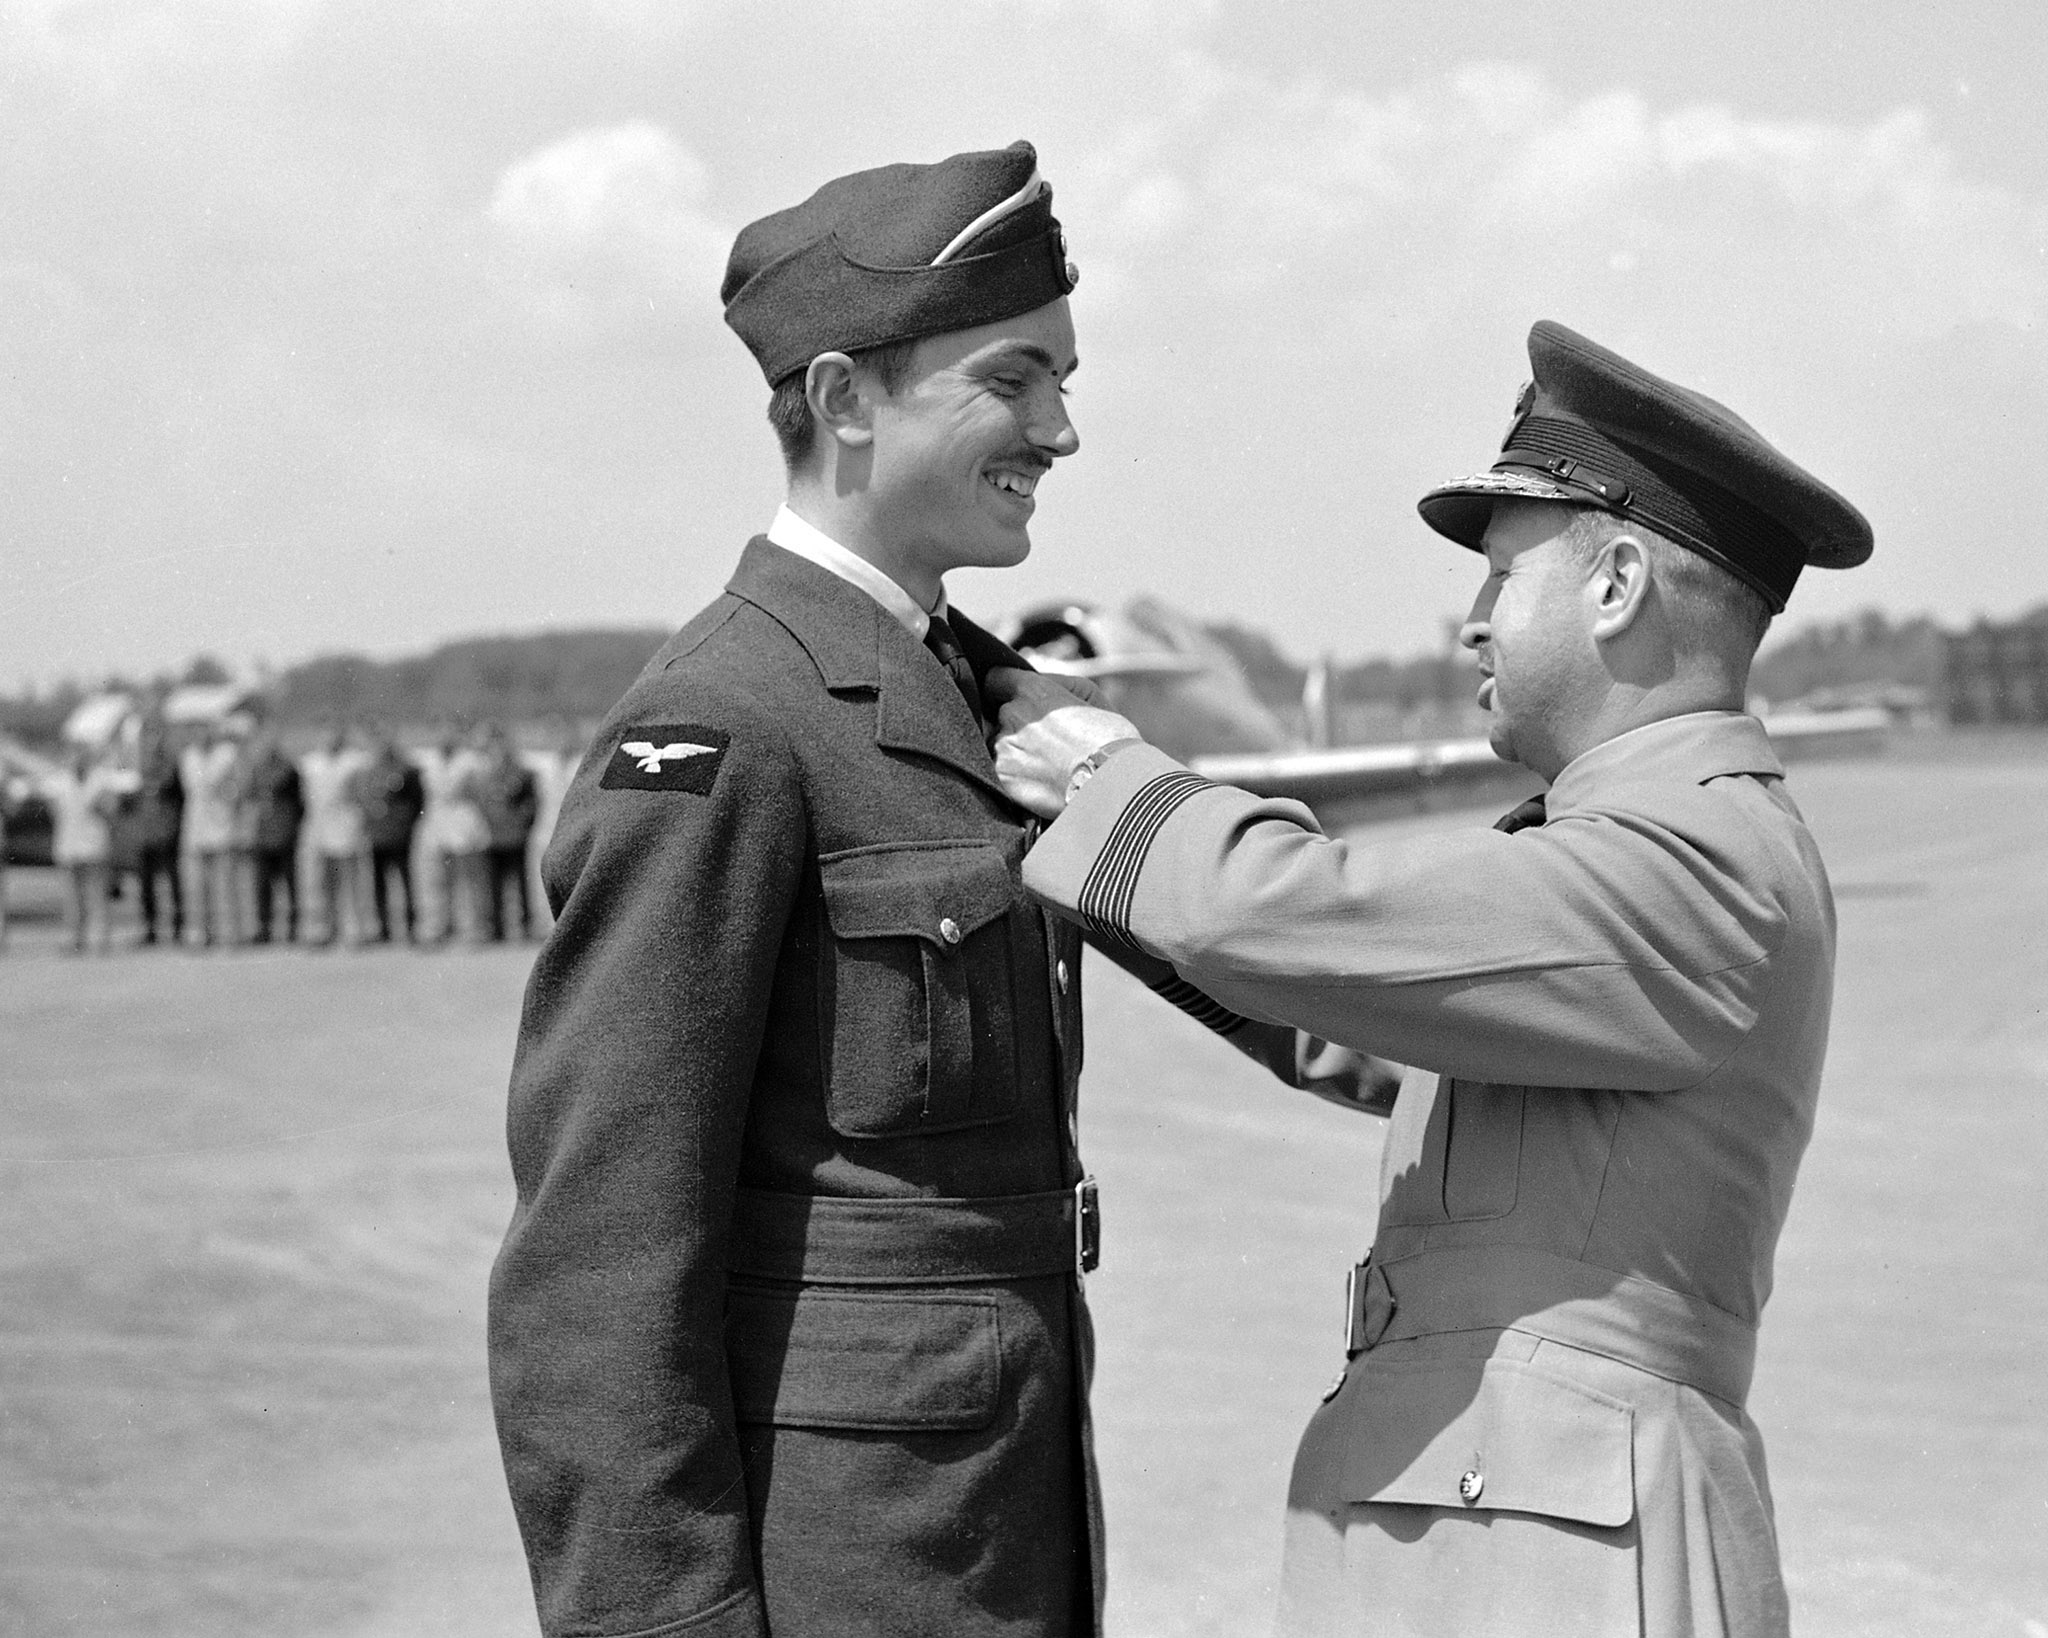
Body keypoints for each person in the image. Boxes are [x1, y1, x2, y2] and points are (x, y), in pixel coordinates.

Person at [487, 142, 1378, 1638]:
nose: (1064, 430)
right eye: (1015, 381)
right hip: (841, 1563)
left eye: (1065, 382)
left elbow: (1274, 981)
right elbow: (598, 1263)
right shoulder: (733, 725)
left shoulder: (987, 701)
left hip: (989, 1533)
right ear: (845, 401)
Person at [988, 320, 1874, 1638]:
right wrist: (1115, 873)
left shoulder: (1700, 859)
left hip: (1560, 1572)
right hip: (1506, 1539)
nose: (1469, 624)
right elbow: (1358, 1015)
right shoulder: (1637, 846)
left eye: (1501, 577)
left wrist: (1104, 778)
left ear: (1620, 583)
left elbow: (1299, 913)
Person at [44, 746, 133, 954]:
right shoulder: (60, 780)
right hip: (68, 845)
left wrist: (101, 804)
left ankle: (99, 938)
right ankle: (74, 939)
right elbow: (54, 812)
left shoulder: (101, 780)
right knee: (71, 899)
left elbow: (113, 810)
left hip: (94, 846)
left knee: (96, 896)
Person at [416, 725, 488, 942]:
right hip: (435, 820)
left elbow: (481, 791)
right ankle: (435, 927)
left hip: (462, 819)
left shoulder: (471, 761)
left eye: (450, 730)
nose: (444, 735)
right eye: (439, 729)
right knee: (433, 879)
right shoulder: (425, 760)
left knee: (465, 879)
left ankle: (470, 928)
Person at [299, 724, 369, 946]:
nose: (330, 737)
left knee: (349, 880)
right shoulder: (309, 763)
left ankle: (353, 929)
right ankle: (318, 930)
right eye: (325, 732)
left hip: (345, 823)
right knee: (316, 881)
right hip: (317, 825)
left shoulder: (355, 762)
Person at [354, 727, 425, 943]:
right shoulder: (367, 772)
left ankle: (411, 927)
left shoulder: (406, 770)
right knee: (378, 885)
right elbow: (363, 802)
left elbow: (417, 802)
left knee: (406, 882)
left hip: (399, 834)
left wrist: (406, 825)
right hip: (377, 835)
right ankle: (383, 928)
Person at [467, 724, 538, 942]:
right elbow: (477, 804)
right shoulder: (480, 774)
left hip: (515, 835)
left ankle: (525, 927)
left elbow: (531, 804)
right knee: (492, 886)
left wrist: (523, 826)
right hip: (491, 836)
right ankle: (496, 929)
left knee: (520, 885)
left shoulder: (522, 772)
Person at [178, 722, 244, 946]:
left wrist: (228, 792)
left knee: (224, 887)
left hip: (222, 827)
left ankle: (228, 934)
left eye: (205, 727)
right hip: (195, 829)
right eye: (196, 728)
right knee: (196, 888)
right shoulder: (188, 757)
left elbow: (239, 788)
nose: (201, 733)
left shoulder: (228, 755)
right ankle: (199, 934)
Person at [241, 730, 305, 945]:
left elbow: (299, 804)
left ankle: (294, 927)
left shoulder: (288, 770)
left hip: (284, 832)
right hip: (262, 834)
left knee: (289, 884)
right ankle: (264, 927)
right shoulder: (256, 770)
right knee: (262, 886)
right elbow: (248, 798)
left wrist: (292, 828)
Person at [128, 718, 185, 947]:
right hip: (146, 833)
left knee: (173, 882)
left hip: (167, 830)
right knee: (146, 886)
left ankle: (178, 927)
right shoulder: (137, 768)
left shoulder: (170, 766)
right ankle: (151, 928)